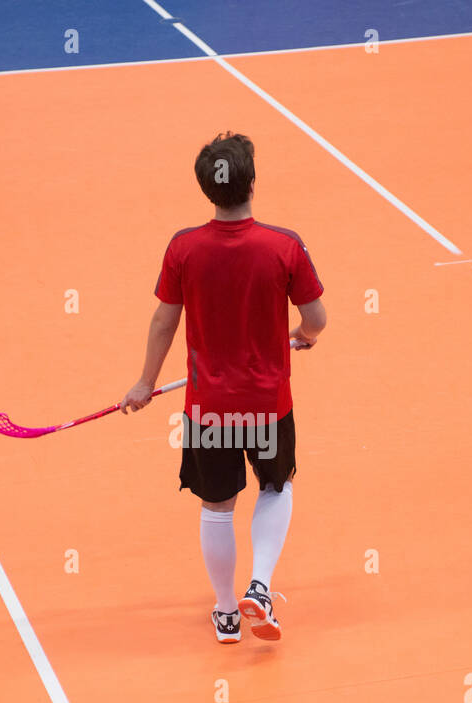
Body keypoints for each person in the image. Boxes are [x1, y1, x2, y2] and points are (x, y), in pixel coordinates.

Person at [120, 131, 327, 644]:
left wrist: (145, 382)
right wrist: (303, 337)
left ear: (206, 190)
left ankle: (227, 611)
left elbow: (164, 322)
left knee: (217, 506)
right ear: (251, 182)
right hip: (268, 405)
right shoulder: (285, 246)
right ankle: (260, 587)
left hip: (208, 407)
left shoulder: (183, 248)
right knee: (276, 487)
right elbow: (316, 318)